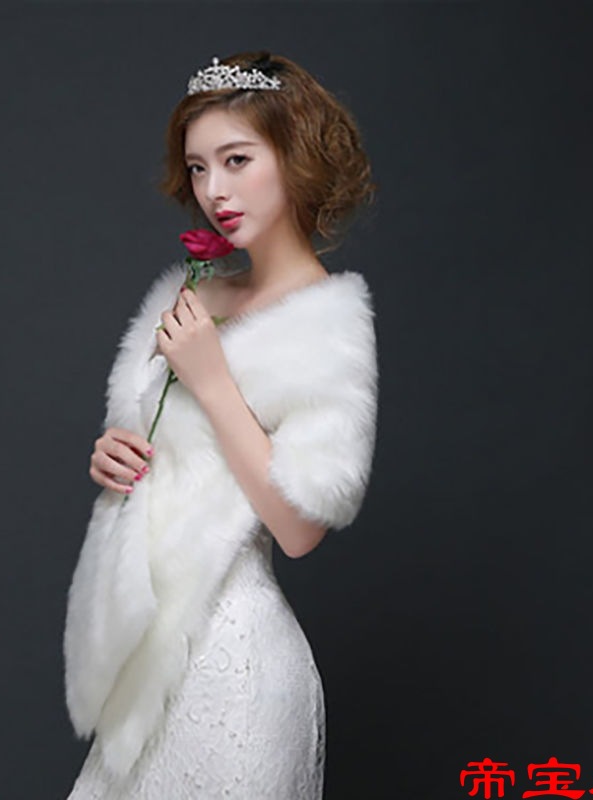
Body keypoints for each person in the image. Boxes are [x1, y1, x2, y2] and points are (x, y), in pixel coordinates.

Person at [64, 50, 378, 799]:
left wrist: (211, 380)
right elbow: (168, 460)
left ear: (295, 156)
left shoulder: (329, 325)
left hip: (236, 672)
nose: (214, 190)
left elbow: (300, 530)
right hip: (145, 666)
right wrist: (114, 458)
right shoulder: (191, 296)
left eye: (237, 160)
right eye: (199, 168)